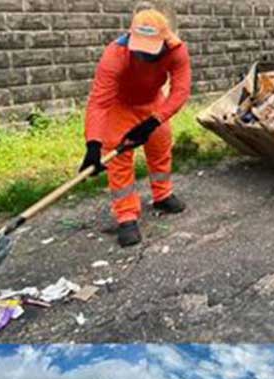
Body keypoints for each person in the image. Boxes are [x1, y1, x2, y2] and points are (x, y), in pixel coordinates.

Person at [81, 2, 192, 248]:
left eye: (150, 51)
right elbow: (99, 103)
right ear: (131, 36)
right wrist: (93, 144)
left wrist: (154, 121)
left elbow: (180, 91)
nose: (144, 56)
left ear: (165, 39)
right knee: (117, 156)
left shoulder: (177, 51)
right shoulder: (115, 54)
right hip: (120, 106)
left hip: (153, 103)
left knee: (161, 145)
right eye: (140, 50)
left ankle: (162, 195)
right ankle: (126, 216)